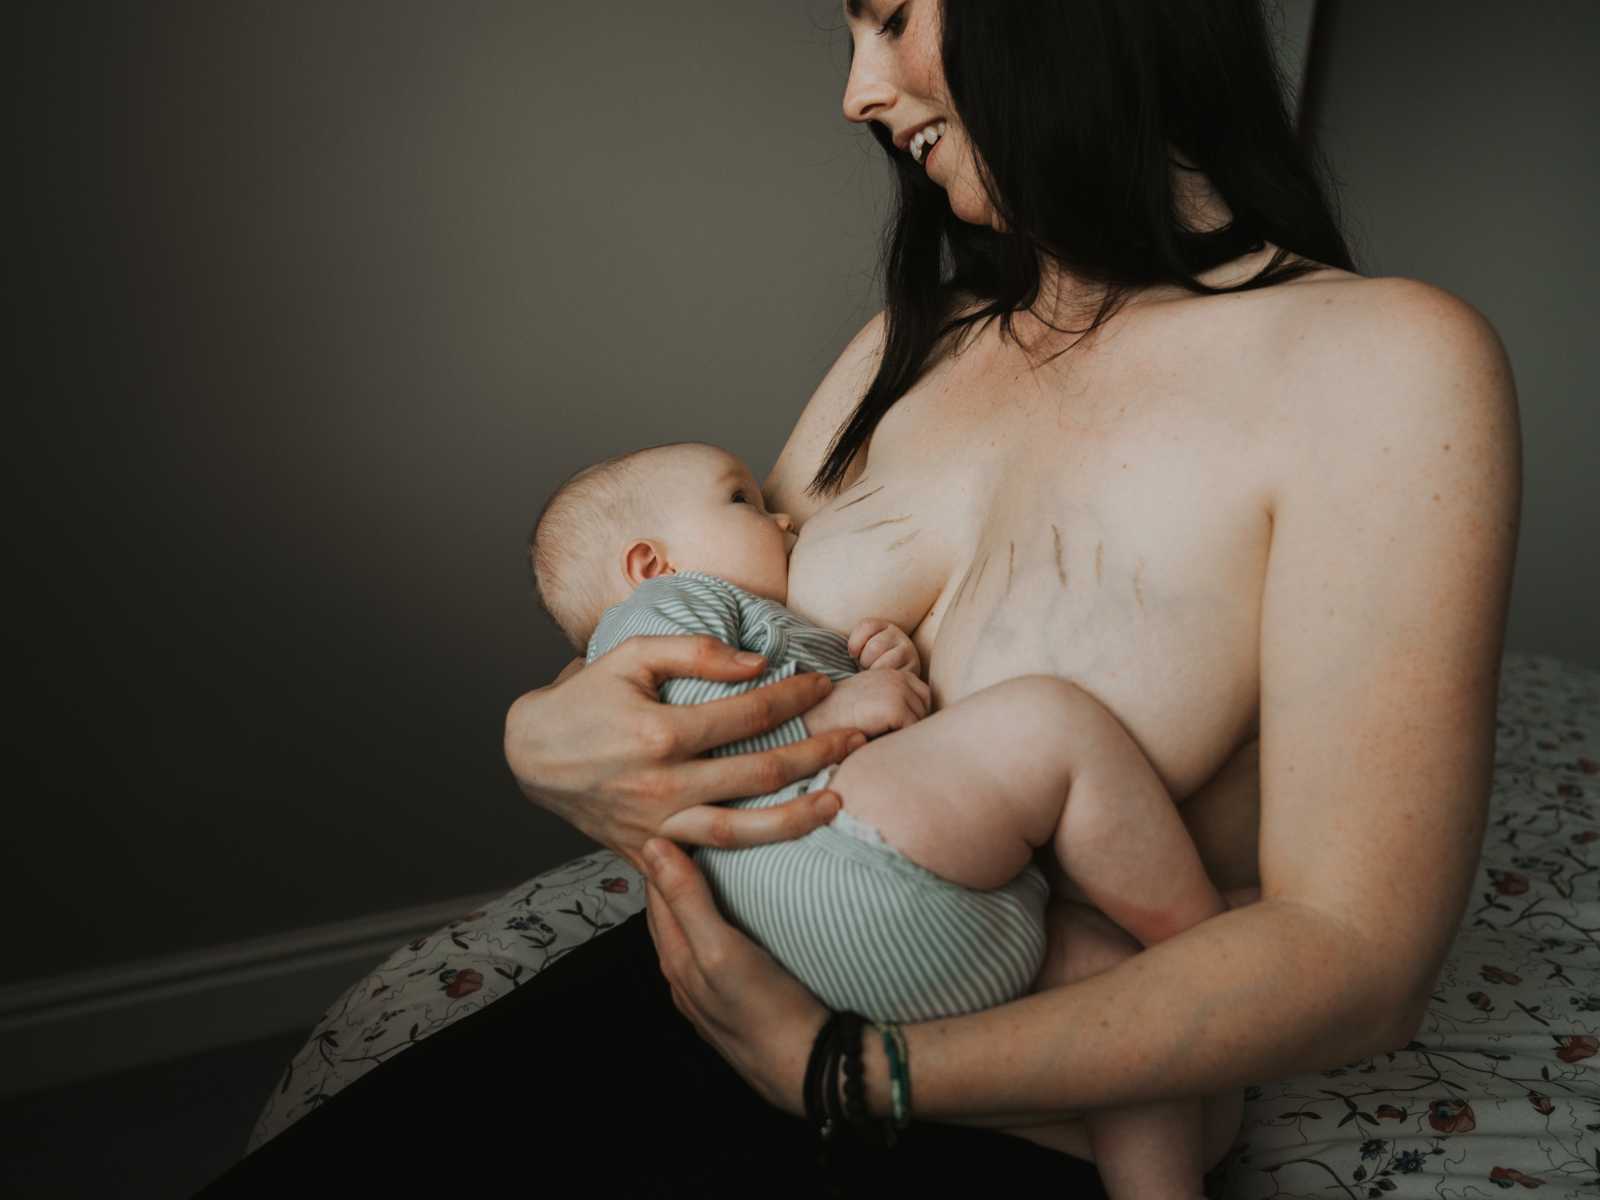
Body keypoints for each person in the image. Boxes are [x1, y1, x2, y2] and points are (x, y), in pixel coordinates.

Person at [208, 1, 1519, 1195]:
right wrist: (546, 728)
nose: (856, 91)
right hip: (695, 994)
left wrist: (846, 1068)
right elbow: (702, 639)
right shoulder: (914, 341)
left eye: (890, 17)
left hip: (1006, 1089)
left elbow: (1358, 961)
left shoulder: (1383, 365)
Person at [531, 438, 1235, 1195]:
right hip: (836, 858)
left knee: (1139, 1026)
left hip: (847, 960)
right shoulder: (658, 613)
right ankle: (1213, 944)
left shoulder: (759, 624)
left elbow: (863, 718)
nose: (784, 518)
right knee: (1050, 722)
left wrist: (879, 667)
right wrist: (838, 706)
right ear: (649, 563)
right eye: (742, 499)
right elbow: (698, 735)